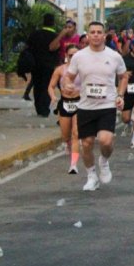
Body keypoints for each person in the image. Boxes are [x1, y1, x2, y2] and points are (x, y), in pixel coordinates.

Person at [62, 21, 127, 191]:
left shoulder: (114, 56)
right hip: (86, 106)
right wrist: (68, 84)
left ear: (104, 35)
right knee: (87, 143)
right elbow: (68, 77)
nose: (96, 35)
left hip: (107, 105)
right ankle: (91, 176)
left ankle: (104, 162)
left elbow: (124, 76)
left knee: (105, 141)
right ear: (88, 35)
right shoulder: (79, 56)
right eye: (93, 32)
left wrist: (120, 95)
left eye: (99, 32)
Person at [48, 43, 81, 174]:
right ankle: (68, 144)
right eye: (71, 55)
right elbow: (51, 86)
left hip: (79, 102)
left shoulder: (83, 70)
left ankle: (73, 165)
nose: (73, 57)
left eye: (76, 55)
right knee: (65, 134)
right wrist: (53, 97)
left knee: (76, 134)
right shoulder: (60, 70)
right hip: (65, 103)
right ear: (66, 55)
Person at [27, 14, 69, 117]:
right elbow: (53, 48)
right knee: (47, 87)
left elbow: (28, 47)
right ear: (53, 23)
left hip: (35, 65)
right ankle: (44, 109)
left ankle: (39, 108)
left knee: (37, 86)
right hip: (49, 66)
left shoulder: (34, 34)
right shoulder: (55, 36)